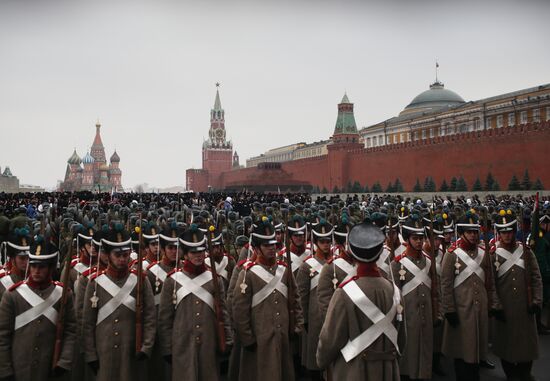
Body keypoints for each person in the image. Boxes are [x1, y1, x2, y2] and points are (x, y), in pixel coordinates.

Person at [317, 221, 405, 380]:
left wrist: (321, 361)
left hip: (354, 371)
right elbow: (401, 339)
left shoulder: (344, 293)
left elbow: (330, 339)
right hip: (387, 371)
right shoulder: (394, 291)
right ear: (379, 253)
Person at [232, 217, 303, 381]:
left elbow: (295, 299)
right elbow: (240, 310)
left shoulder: (284, 270)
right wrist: (247, 338)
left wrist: (297, 326)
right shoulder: (247, 274)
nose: (272, 249)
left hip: (282, 336)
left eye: (274, 245)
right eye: (266, 245)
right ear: (256, 248)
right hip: (259, 339)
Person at [82, 223, 156, 381]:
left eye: (125, 254)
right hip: (103, 351)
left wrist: (146, 346)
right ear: (108, 255)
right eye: (118, 255)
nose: (122, 259)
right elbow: (87, 322)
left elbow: (150, 316)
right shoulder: (95, 282)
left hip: (132, 352)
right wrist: (90, 354)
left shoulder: (140, 280)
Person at [158, 223, 232, 380]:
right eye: (193, 252)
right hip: (182, 343)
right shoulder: (173, 280)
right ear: (185, 255)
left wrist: (228, 338)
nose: (199, 255)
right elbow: (165, 319)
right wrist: (167, 349)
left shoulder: (214, 279)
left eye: (201, 251)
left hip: (209, 342)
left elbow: (223, 312)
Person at [0, 235, 77, 380]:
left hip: (50, 367)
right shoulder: (12, 296)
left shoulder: (63, 294)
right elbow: (3, 336)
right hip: (19, 367)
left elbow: (70, 331)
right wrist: (5, 370)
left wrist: (64, 362)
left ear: (51, 267)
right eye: (33, 265)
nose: (36, 271)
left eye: (42, 267)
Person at [440, 210, 501, 381]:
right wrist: (449, 309)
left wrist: (492, 304)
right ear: (462, 233)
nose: (474, 236)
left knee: (476, 351)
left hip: (479, 309)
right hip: (461, 310)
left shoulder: (484, 252)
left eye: (475, 232)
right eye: (469, 232)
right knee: (461, 353)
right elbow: (446, 284)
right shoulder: (452, 254)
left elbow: (490, 282)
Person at [493, 209, 542, 381]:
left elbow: (536, 277)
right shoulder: (493, 255)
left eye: (509, 232)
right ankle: (511, 375)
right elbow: (491, 284)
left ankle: (525, 373)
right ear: (499, 233)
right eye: (503, 232)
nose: (507, 235)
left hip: (525, 306)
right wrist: (496, 305)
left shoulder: (526, 251)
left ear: (514, 231)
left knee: (526, 346)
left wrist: (536, 300)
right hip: (505, 308)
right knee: (506, 346)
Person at [392, 214, 439, 381]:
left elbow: (435, 289)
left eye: (421, 238)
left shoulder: (428, 261)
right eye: (415, 238)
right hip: (407, 316)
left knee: (425, 352)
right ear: (407, 238)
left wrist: (436, 312)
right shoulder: (398, 263)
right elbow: (395, 296)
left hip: (426, 315)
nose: (419, 241)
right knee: (408, 355)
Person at [296, 219, 334, 380]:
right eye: (322, 241)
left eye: (328, 241)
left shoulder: (336, 263)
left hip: (332, 313)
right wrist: (304, 318)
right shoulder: (307, 266)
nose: (326, 245)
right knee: (314, 360)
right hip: (314, 316)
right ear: (315, 242)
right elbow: (302, 296)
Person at [0, 228, 31, 300]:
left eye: (28, 258)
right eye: (22, 258)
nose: (26, 262)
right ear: (12, 259)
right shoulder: (2, 282)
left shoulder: (38, 280)